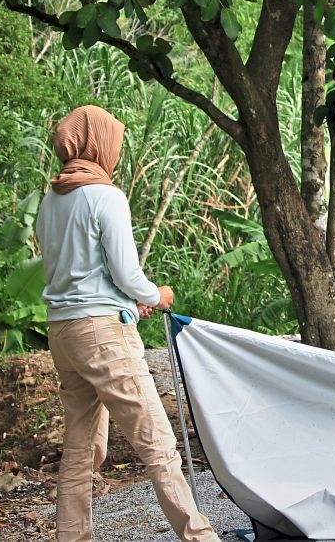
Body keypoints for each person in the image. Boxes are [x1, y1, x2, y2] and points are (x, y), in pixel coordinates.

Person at [36, 105, 221, 542]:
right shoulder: (105, 196)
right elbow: (126, 274)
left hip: (63, 332)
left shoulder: (50, 201)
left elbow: (73, 275)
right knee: (158, 443)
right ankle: (200, 538)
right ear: (99, 143)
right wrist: (157, 295)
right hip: (102, 335)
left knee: (80, 450)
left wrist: (123, 301)